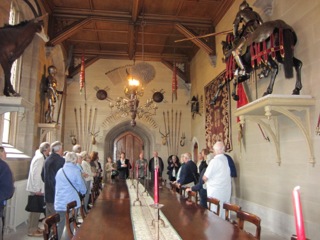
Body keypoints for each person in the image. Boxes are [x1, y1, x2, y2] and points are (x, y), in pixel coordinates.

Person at [55, 152, 87, 240]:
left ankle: (56, 238)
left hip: (59, 202)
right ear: (75, 160)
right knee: (70, 224)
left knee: (60, 223)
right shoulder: (75, 171)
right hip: (71, 202)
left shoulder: (60, 171)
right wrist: (83, 191)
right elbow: (82, 186)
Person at [26, 142, 50, 237]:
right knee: (35, 209)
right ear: (45, 150)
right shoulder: (40, 159)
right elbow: (36, 174)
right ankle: (32, 230)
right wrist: (37, 189)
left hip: (38, 188)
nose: (49, 151)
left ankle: (34, 227)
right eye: (48, 150)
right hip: (36, 188)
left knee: (36, 209)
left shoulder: (40, 157)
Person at [231, 1, 263, 72]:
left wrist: (235, 35)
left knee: (235, 50)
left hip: (249, 32)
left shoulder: (241, 13)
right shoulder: (255, 13)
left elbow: (235, 25)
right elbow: (261, 23)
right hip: (259, 30)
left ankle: (244, 69)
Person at [203, 141, 231, 219]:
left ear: (218, 150)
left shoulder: (214, 161)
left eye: (214, 150)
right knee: (224, 210)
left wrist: (204, 181)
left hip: (216, 192)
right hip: (225, 190)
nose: (213, 152)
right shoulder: (225, 159)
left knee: (215, 213)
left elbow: (205, 177)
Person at [42, 141, 65, 216]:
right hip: (57, 192)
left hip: (48, 191)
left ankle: (49, 228)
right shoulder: (61, 161)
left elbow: (42, 175)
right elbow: (63, 178)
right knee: (57, 217)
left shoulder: (47, 159)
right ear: (59, 149)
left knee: (49, 218)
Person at [0, 146, 14, 240]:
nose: (6, 154)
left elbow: (7, 190)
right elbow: (8, 190)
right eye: (4, 152)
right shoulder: (3, 166)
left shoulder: (3, 167)